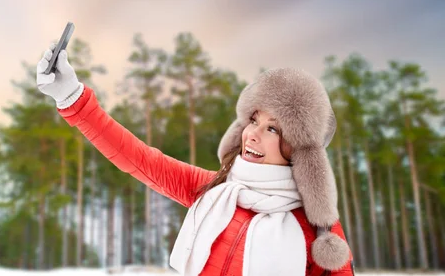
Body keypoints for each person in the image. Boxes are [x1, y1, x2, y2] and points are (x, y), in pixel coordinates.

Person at [36, 43, 355, 276]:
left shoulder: (321, 232)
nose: (252, 135)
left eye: (272, 128)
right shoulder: (215, 192)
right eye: (253, 121)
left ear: (299, 148)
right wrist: (72, 97)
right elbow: (139, 158)